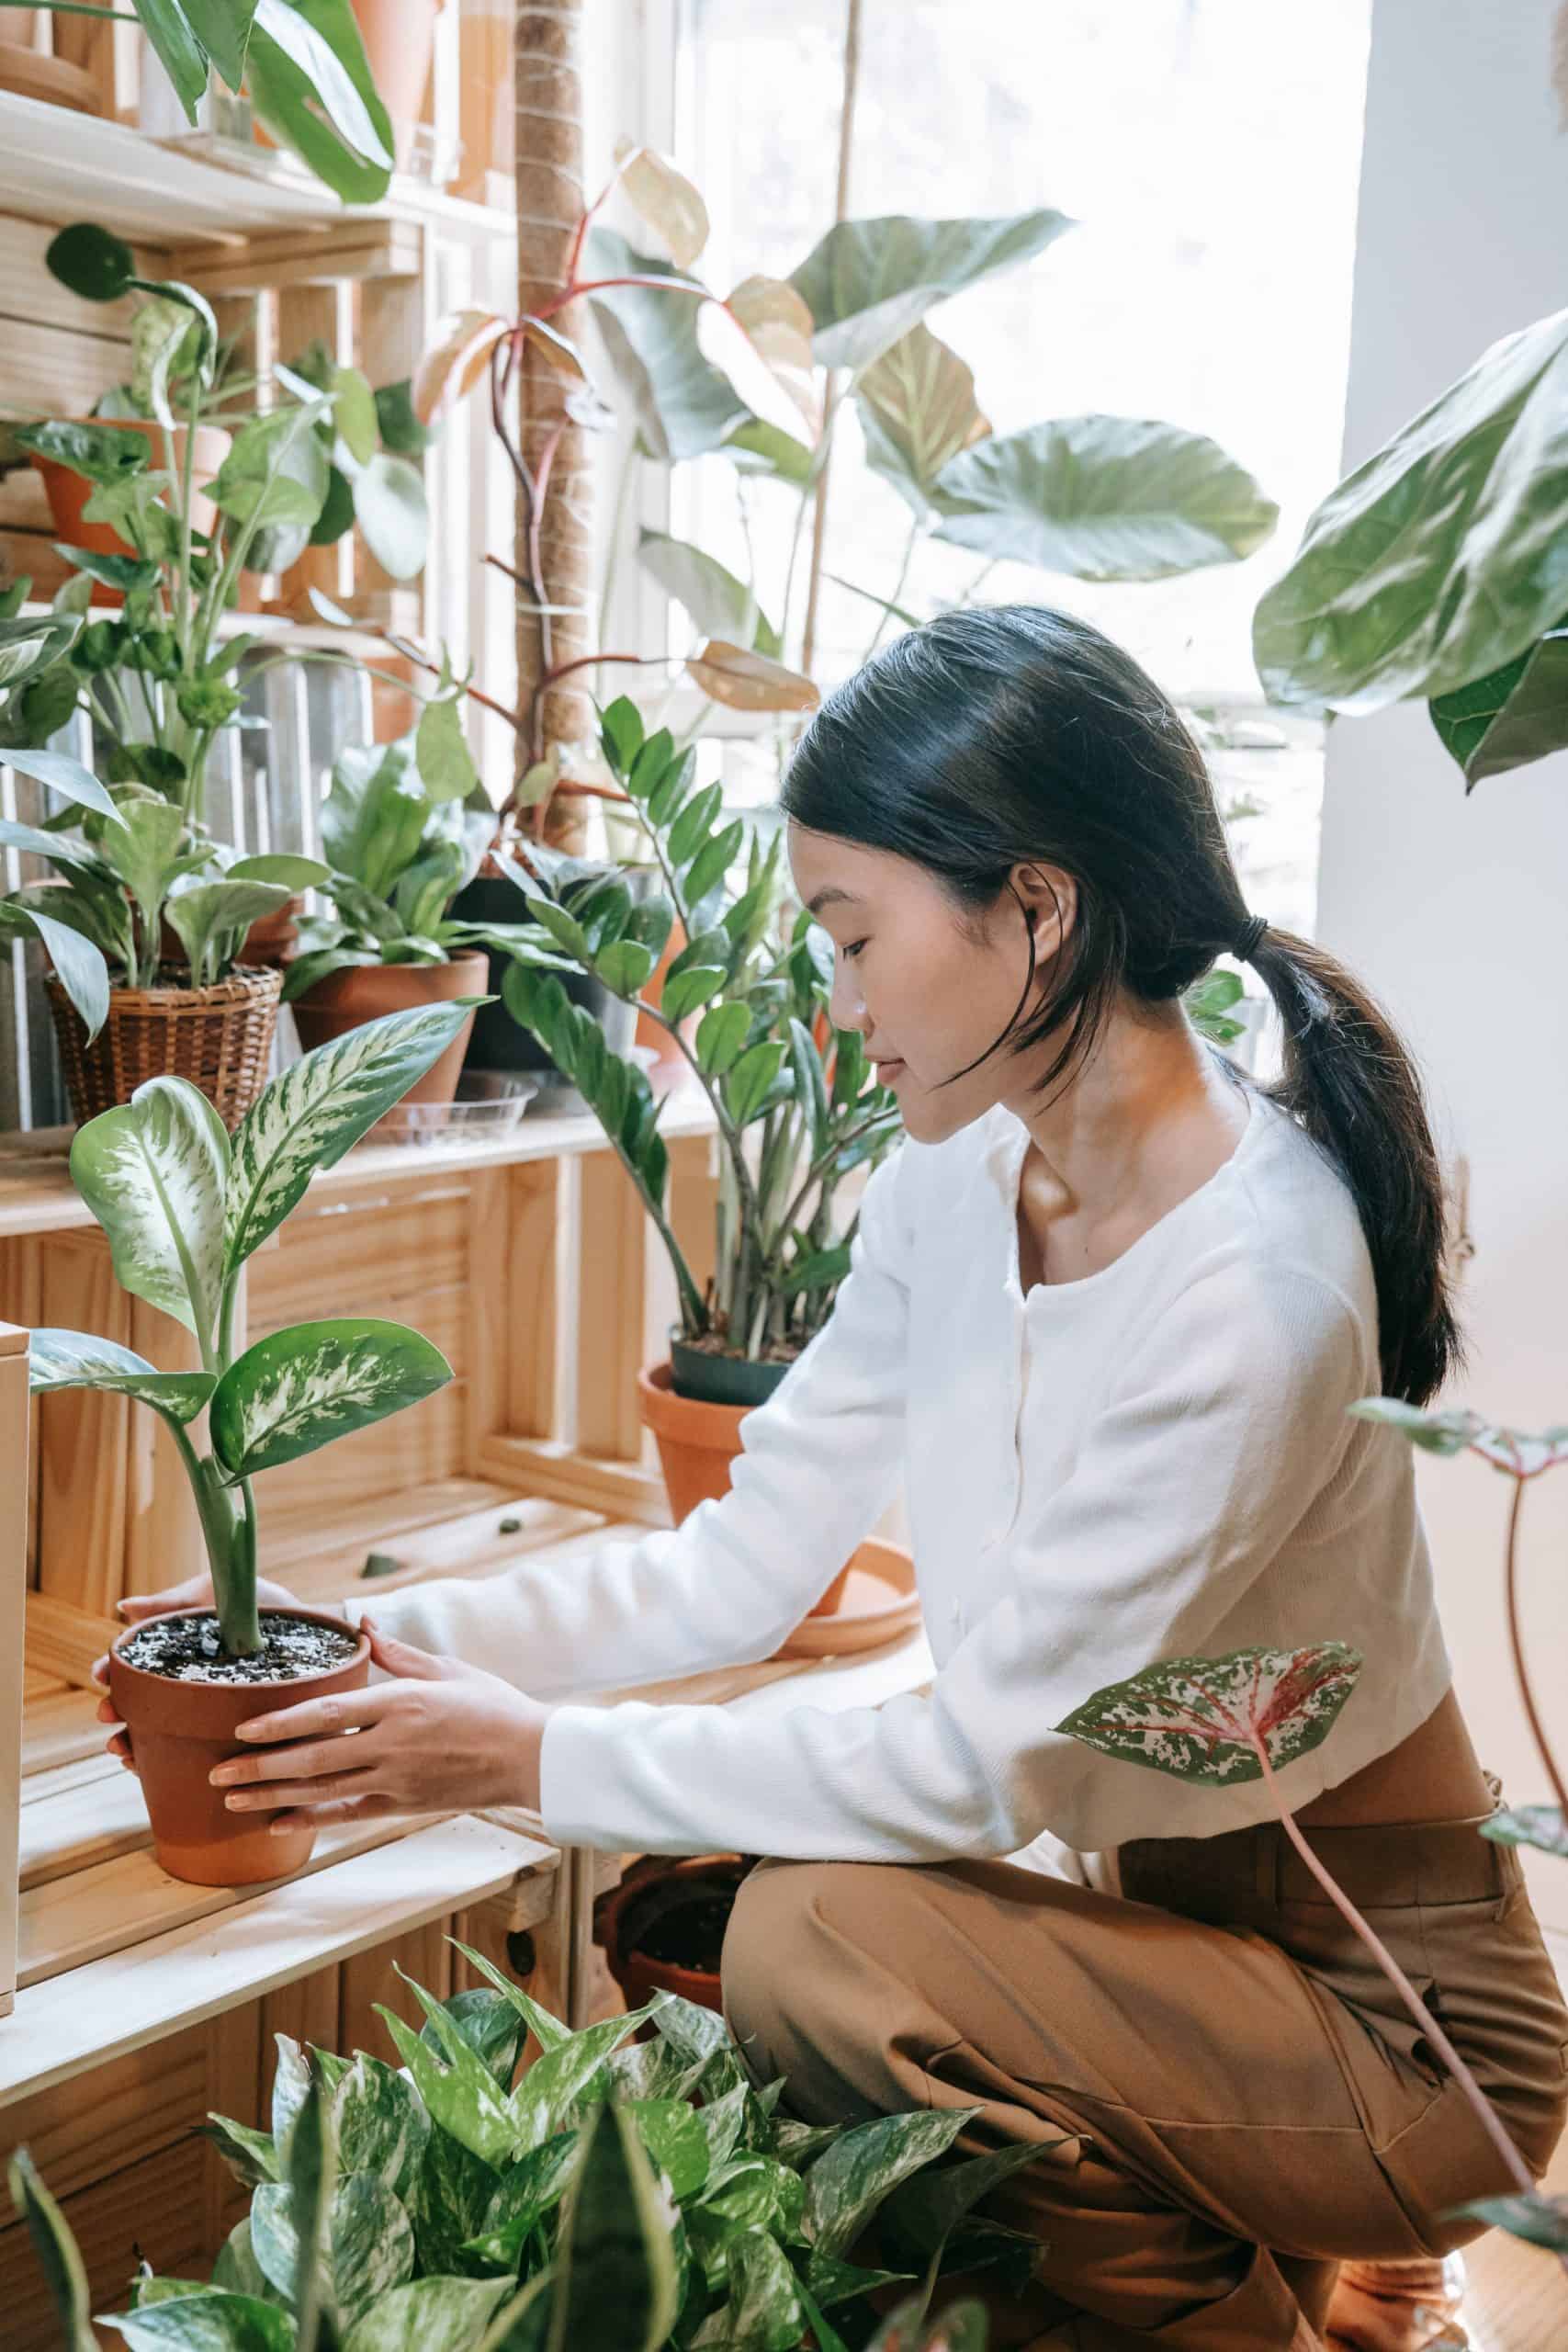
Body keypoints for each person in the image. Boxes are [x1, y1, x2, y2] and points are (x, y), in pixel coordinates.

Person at [104, 607, 1566, 2350]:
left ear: (1038, 908)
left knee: (808, 1945)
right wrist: (336, 1631)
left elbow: (975, 1773)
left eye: (854, 935)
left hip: (1396, 2024)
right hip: (1167, 1948)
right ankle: (1299, 2283)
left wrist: (524, 1755)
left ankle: (1304, 2294)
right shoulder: (964, 1182)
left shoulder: (1258, 1284)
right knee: (759, 1921)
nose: (835, 997)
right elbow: (734, 1572)